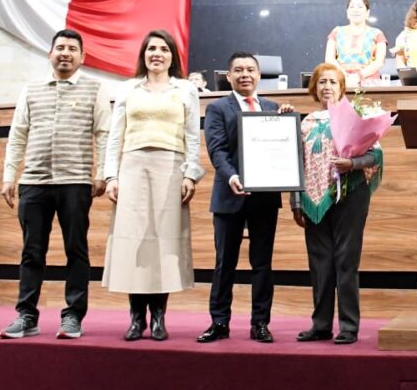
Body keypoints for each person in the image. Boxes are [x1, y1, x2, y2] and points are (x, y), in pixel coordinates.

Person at [0, 29, 110, 340]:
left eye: (72, 49)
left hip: (75, 183)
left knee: (76, 251)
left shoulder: (95, 88)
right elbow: (18, 134)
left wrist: (101, 171)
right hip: (33, 183)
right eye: (60, 48)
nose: (65, 53)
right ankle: (26, 316)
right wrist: (10, 175)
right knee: (31, 252)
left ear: (82, 57)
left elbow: (104, 133)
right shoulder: (31, 90)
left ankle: (73, 316)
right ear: (50, 54)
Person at [102, 29, 204, 341]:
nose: (156, 54)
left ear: (172, 56)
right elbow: (115, 136)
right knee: (134, 242)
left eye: (163, 49)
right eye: (150, 49)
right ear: (143, 55)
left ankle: (159, 316)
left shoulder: (185, 90)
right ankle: (136, 319)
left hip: (170, 169)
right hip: (132, 168)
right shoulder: (128, 88)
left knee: (164, 242)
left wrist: (190, 174)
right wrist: (111, 175)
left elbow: (191, 136)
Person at [198, 52, 290, 343]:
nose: (245, 74)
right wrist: (232, 176)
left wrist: (286, 123)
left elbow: (283, 148)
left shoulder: (274, 107)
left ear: (260, 75)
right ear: (229, 76)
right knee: (225, 262)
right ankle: (219, 322)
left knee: (262, 263)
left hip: (264, 198)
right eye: (238, 70)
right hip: (229, 194)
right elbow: (217, 150)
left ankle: (260, 323)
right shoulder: (217, 108)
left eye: (250, 69)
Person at [292, 63, 384, 345]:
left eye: (332, 82)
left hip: (350, 196)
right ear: (314, 89)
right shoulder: (305, 123)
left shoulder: (357, 115)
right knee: (320, 264)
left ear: (342, 87)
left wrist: (352, 164)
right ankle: (320, 325)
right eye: (321, 82)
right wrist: (296, 201)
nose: (327, 87)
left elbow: (375, 157)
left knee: (346, 261)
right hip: (313, 199)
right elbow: (294, 165)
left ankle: (348, 327)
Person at [325, 0, 388, 87]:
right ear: (347, 12)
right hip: (340, 81)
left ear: (367, 13)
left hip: (369, 82)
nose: (355, 10)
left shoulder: (377, 34)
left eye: (360, 7)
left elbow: (379, 62)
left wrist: (358, 76)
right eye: (352, 7)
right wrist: (344, 77)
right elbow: (329, 59)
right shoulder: (336, 31)